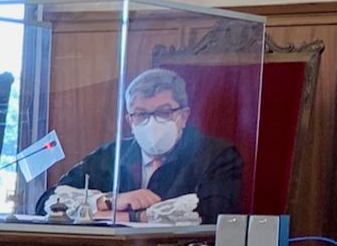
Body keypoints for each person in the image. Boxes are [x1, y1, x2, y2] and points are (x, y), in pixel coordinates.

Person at [44, 68, 243, 224]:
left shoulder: (218, 155)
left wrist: (131, 217)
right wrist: (109, 201)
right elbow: (49, 201)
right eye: (140, 114)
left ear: (183, 116)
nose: (151, 122)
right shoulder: (111, 155)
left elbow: (216, 213)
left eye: (163, 112)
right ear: (130, 121)